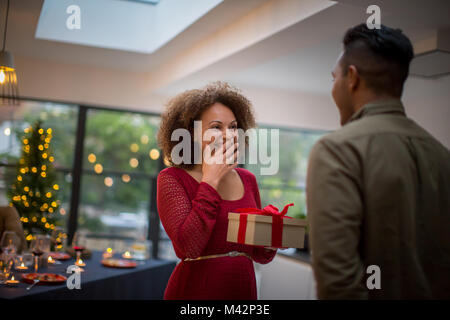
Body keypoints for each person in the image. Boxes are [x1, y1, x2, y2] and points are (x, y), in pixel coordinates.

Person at [306, 23, 450, 299]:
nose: (333, 88)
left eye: (333, 78)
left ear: (352, 78)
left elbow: (338, 285)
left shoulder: (337, 150)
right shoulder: (442, 156)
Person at [156, 82, 276, 300]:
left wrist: (272, 239)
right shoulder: (172, 179)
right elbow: (188, 247)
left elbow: (258, 254)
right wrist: (210, 181)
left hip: (243, 290)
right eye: (216, 127)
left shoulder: (248, 180)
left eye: (232, 127)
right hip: (195, 292)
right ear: (191, 132)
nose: (228, 134)